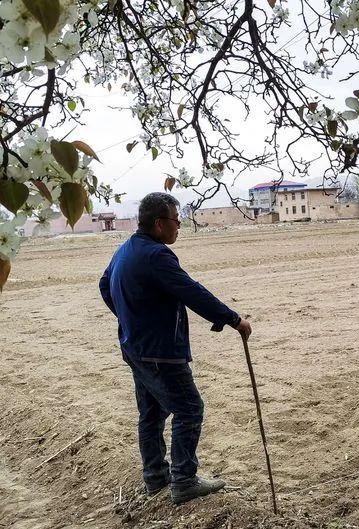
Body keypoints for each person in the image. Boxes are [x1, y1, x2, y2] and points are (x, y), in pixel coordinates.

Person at [99, 192, 252, 505]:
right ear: (159, 224)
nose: (180, 225)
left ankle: (155, 477)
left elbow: (105, 285)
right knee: (189, 409)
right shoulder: (157, 255)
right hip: (160, 352)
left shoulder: (127, 248)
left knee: (152, 413)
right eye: (175, 219)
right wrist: (233, 319)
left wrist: (131, 319)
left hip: (136, 348)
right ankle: (183, 480)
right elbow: (192, 292)